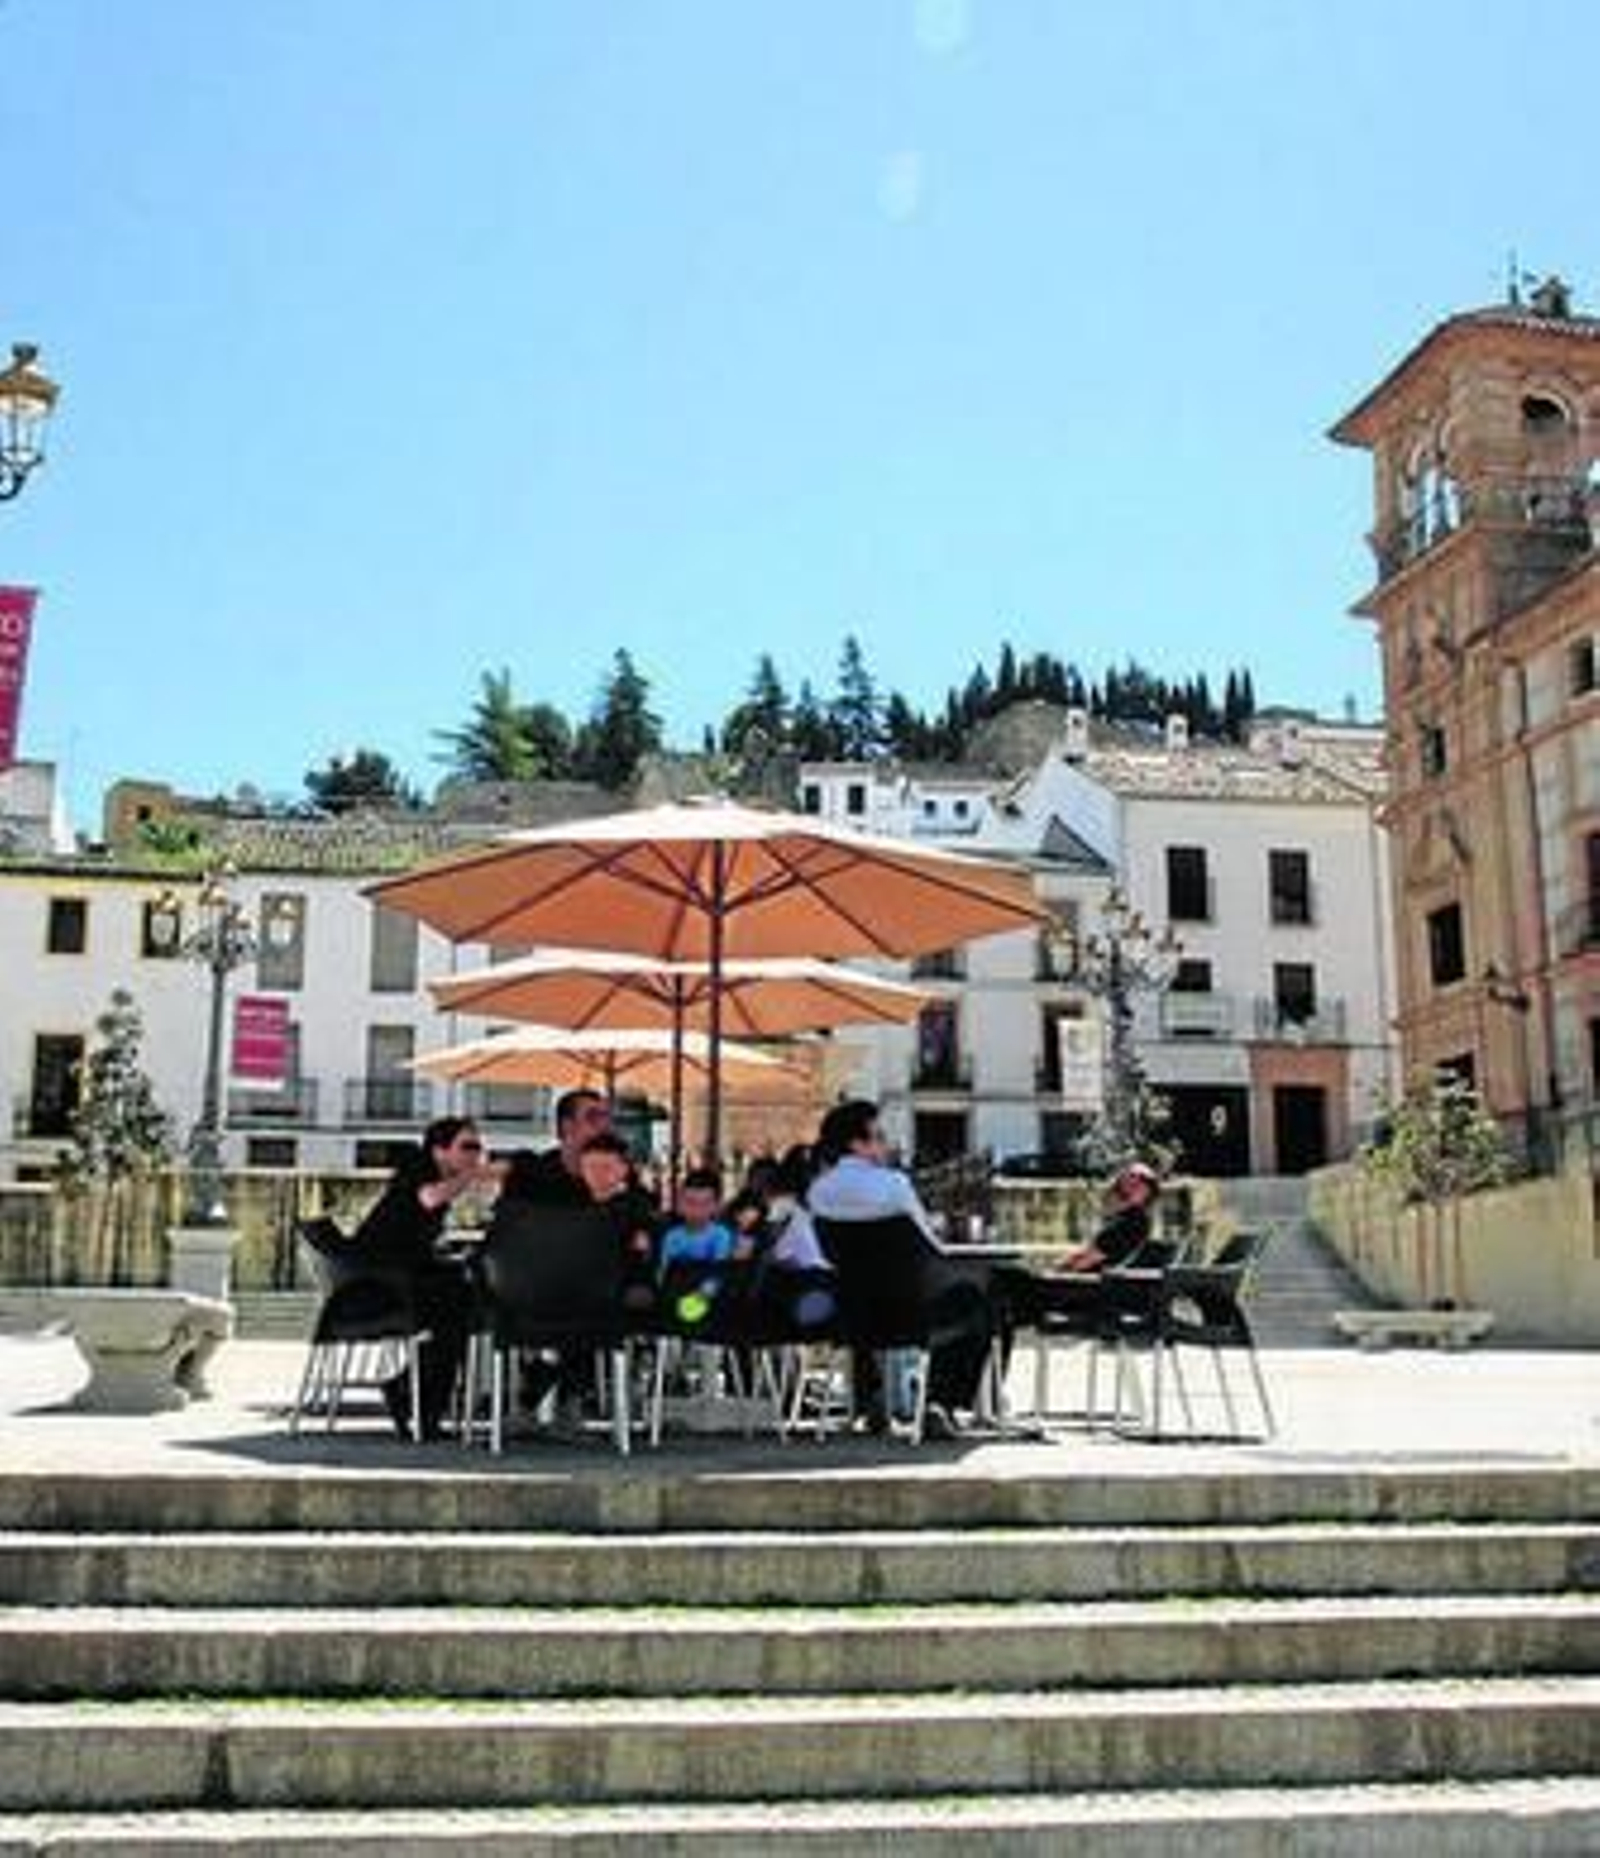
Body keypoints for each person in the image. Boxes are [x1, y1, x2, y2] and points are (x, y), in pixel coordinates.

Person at [806, 1098, 997, 1436]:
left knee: (868, 1287)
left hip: (852, 1315)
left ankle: (870, 1399)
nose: (886, 1144)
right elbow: (929, 1246)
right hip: (910, 1316)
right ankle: (940, 1403)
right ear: (857, 1144)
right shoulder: (893, 1185)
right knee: (979, 1306)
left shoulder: (819, 1192)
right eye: (878, 1136)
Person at [347, 1115, 492, 1440]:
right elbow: (428, 1198)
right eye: (468, 1147)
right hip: (378, 1285)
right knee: (459, 1311)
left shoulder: (436, 1175)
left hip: (396, 1277)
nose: (475, 1154)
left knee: (463, 1305)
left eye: (478, 1148)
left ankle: (414, 1397)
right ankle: (418, 1402)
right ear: (439, 1151)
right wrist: (473, 1175)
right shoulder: (417, 1169)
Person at [657, 1167, 752, 1327]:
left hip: (707, 1301)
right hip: (675, 1298)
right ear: (680, 1204)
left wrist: (699, 1299)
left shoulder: (720, 1235)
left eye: (705, 1204)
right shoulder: (671, 1236)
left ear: (716, 1206)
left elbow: (718, 1275)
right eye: (690, 1202)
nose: (697, 1210)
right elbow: (663, 1273)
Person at [498, 1088, 617, 1207]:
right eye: (593, 1118)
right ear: (567, 1125)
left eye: (605, 1119)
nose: (603, 1127)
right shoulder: (532, 1175)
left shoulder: (618, 1177)